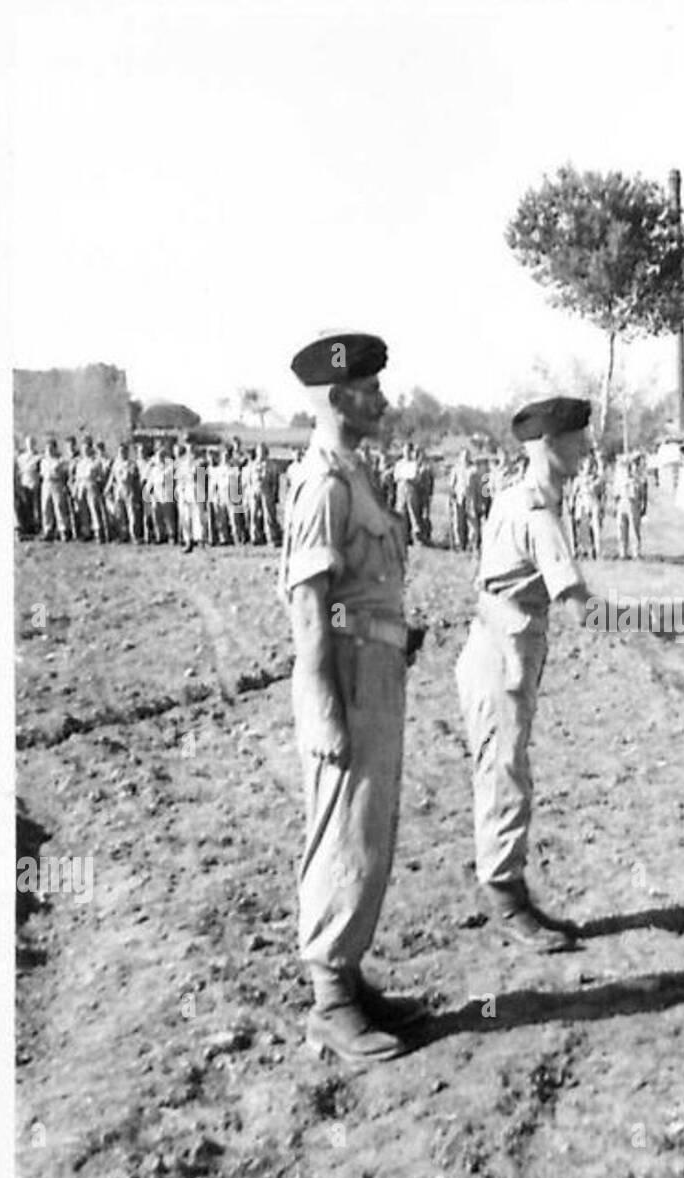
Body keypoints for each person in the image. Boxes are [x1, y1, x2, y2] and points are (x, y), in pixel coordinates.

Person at [455, 396, 684, 953]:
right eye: (577, 439)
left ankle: (506, 888)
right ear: (548, 445)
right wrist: (677, 615)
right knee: (505, 774)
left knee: (506, 768)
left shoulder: (526, 497)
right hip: (503, 651)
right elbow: (584, 610)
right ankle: (506, 899)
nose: (587, 448)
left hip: (505, 642)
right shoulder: (534, 510)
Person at [280, 328, 427, 1065]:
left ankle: (350, 976)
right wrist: (323, 706)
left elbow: (354, 591)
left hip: (376, 666)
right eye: (370, 391)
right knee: (341, 828)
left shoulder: (355, 474)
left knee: (369, 828)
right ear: (339, 398)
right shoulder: (324, 483)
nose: (383, 400)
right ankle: (330, 1001)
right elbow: (308, 605)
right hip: (345, 678)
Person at [105, 442, 143, 542]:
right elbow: (112, 478)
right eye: (120, 451)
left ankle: (134, 535)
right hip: (118, 490)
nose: (122, 453)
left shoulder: (131, 464)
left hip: (129, 490)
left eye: (124, 451)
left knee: (132, 514)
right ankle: (122, 535)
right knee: (120, 515)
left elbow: (135, 479)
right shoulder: (116, 464)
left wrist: (137, 493)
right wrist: (107, 489)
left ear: (127, 452)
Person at [40, 438, 75, 541]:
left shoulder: (60, 460)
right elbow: (42, 474)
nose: (49, 451)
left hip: (57, 483)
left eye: (51, 448)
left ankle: (63, 530)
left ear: (55, 449)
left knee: (59, 507)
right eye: (47, 449)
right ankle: (48, 530)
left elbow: (65, 473)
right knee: (46, 507)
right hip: (46, 484)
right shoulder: (44, 461)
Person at [392, 442, 426, 545]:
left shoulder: (414, 464)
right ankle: (403, 538)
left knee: (413, 514)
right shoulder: (399, 464)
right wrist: (402, 477)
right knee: (401, 513)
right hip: (401, 490)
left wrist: (412, 478)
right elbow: (396, 477)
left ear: (411, 452)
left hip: (411, 490)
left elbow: (417, 478)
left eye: (408, 451)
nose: (406, 453)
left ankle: (417, 538)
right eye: (404, 450)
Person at [247, 444, 280, 546]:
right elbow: (248, 481)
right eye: (258, 451)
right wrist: (249, 493)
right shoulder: (252, 465)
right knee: (254, 515)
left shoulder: (272, 465)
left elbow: (275, 481)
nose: (260, 454)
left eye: (262, 451)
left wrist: (275, 495)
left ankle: (271, 536)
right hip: (254, 490)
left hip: (267, 490)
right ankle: (255, 537)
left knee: (269, 515)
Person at [613, 453, 643, 558]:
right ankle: (623, 552)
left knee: (634, 529)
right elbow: (615, 493)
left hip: (632, 502)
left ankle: (636, 552)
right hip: (621, 502)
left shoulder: (636, 477)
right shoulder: (619, 477)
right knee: (621, 528)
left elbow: (641, 491)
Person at [16, 437, 42, 536]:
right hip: (24, 483)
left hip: (35, 482)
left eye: (32, 443)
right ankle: (28, 526)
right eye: (28, 443)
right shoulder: (21, 457)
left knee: (36, 506)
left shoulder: (39, 456)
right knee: (26, 506)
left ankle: (37, 526)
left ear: (34, 444)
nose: (30, 445)